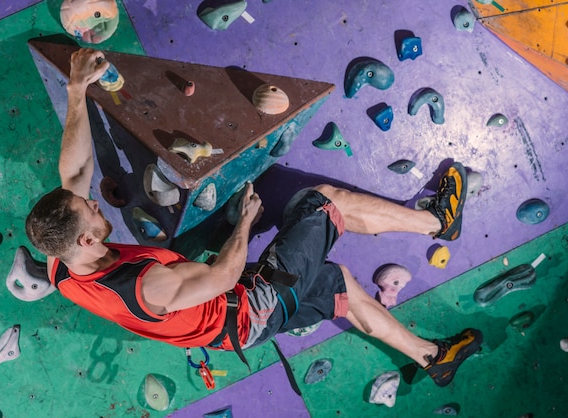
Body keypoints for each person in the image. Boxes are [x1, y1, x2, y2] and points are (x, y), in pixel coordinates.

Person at [26, 48, 483, 389]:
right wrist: (245, 221)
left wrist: (76, 89)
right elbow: (224, 277)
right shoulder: (147, 285)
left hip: (228, 327)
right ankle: (438, 222)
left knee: (338, 283)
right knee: (325, 201)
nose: (92, 202)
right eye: (89, 209)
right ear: (85, 241)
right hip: (248, 305)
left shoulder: (61, 258)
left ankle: (432, 358)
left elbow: (76, 171)